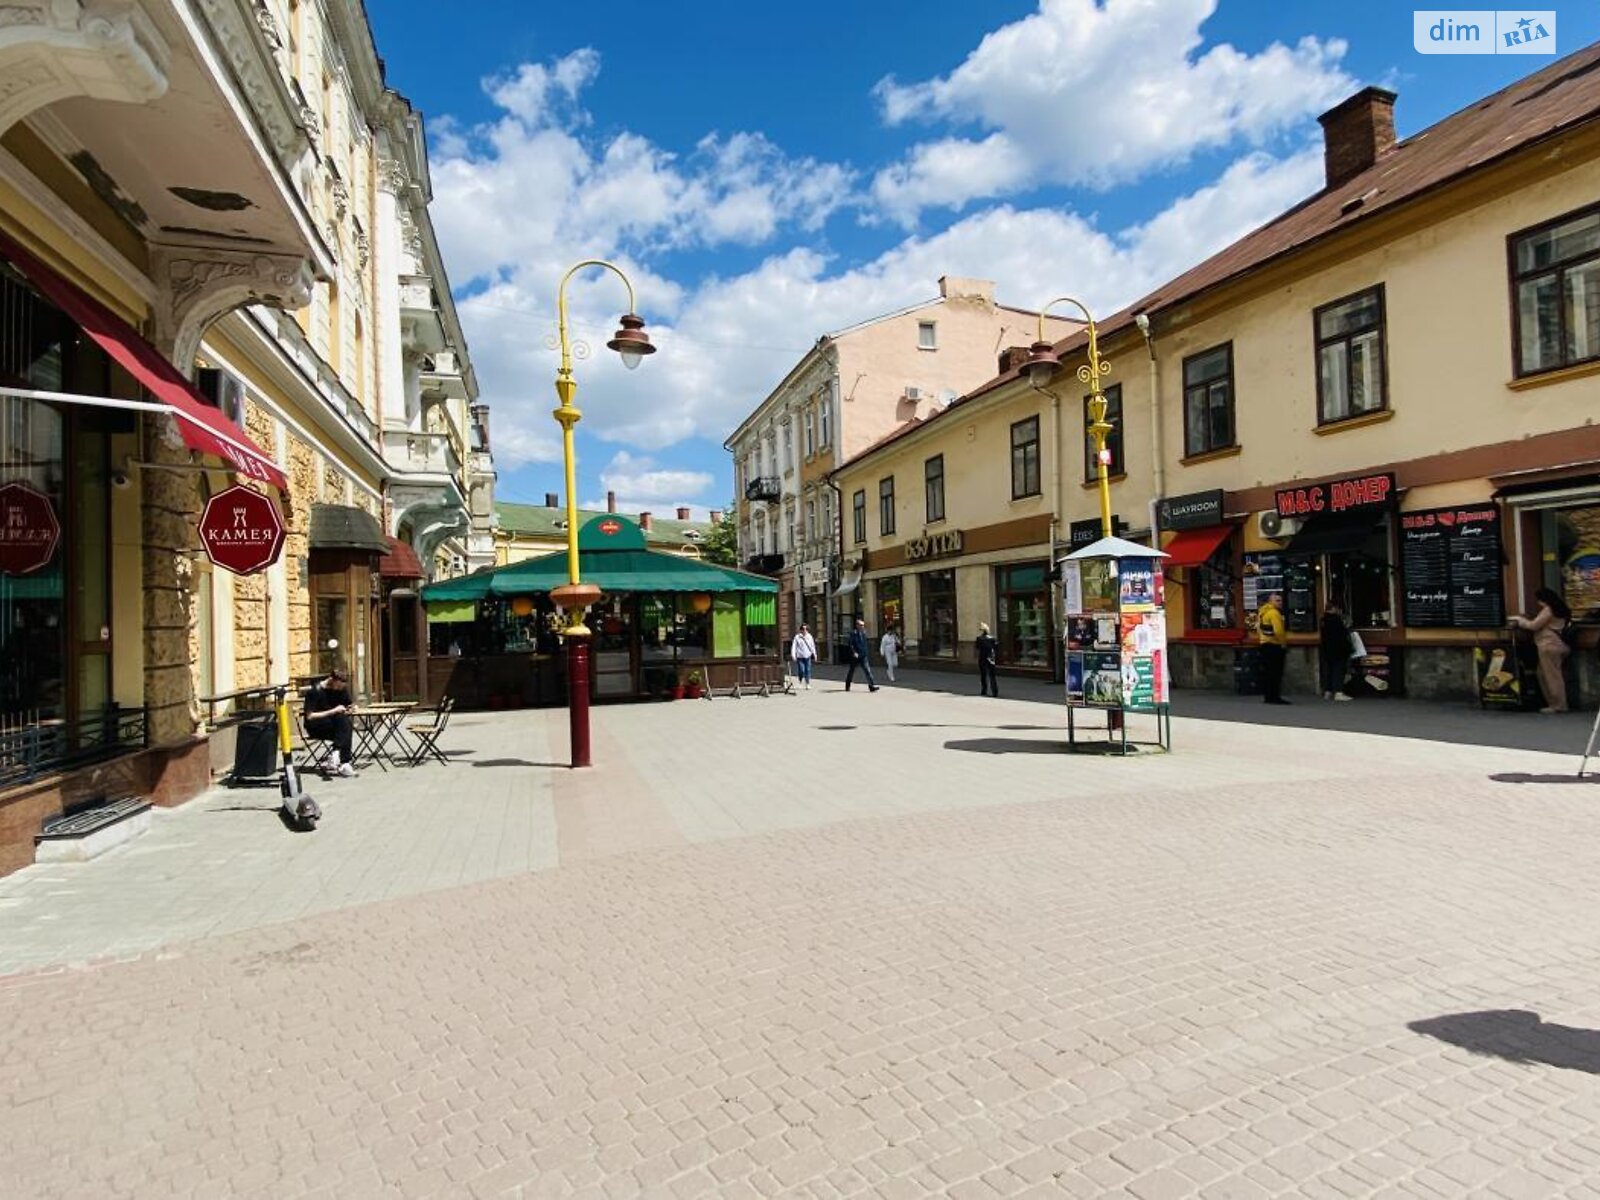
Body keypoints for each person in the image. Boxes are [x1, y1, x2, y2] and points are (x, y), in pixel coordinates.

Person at [1511, 587, 1573, 713]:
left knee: (1551, 676)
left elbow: (1534, 626)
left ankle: (1558, 705)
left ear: (1544, 600)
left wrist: (1520, 620)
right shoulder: (1560, 609)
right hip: (1558, 645)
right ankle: (1554, 703)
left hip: (1549, 645)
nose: (1538, 603)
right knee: (1543, 674)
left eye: (1539, 600)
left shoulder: (1548, 610)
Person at [303, 667, 357, 776]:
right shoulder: (315, 691)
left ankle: (337, 754)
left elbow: (348, 704)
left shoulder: (341, 689)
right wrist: (333, 711)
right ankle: (344, 762)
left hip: (335, 726)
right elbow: (310, 716)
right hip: (316, 726)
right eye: (337, 686)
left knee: (344, 722)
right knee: (344, 724)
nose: (338, 689)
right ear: (331, 680)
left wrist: (352, 708)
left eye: (341, 687)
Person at [1258, 592, 1290, 705]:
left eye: (1281, 600)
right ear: (1270, 601)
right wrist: (1283, 643)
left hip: (1264, 644)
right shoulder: (1274, 613)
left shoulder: (1262, 612)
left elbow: (1259, 628)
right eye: (1277, 600)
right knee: (1276, 673)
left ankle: (1268, 696)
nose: (1280, 603)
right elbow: (1278, 631)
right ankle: (1275, 697)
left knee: (1268, 673)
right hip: (1274, 645)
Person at [1319, 602, 1354, 702]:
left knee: (1329, 671)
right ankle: (1338, 692)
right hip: (1338, 650)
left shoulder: (1323, 620)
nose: (1339, 611)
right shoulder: (1336, 620)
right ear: (1334, 608)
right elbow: (1342, 635)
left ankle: (1328, 692)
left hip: (1326, 649)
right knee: (1339, 671)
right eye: (1338, 609)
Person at [844, 618, 879, 692]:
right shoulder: (853, 634)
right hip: (855, 657)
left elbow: (864, 644)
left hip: (863, 656)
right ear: (857, 625)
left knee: (868, 671)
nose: (862, 627)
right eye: (861, 625)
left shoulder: (864, 634)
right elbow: (851, 644)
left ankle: (871, 686)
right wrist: (854, 652)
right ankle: (847, 685)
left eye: (863, 625)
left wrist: (865, 653)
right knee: (851, 671)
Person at [790, 623, 818, 690]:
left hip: (807, 656)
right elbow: (794, 646)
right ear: (801, 630)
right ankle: (800, 680)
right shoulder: (797, 637)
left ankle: (807, 683)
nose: (804, 630)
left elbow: (812, 646)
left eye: (806, 629)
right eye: (803, 629)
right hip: (800, 657)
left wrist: (815, 654)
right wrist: (793, 655)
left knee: (807, 670)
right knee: (801, 670)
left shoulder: (809, 636)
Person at [975, 622, 999, 697]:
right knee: (992, 676)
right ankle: (994, 691)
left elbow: (977, 648)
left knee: (983, 675)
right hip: (991, 658)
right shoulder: (992, 639)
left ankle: (984, 690)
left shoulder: (979, 639)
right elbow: (996, 648)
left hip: (982, 658)